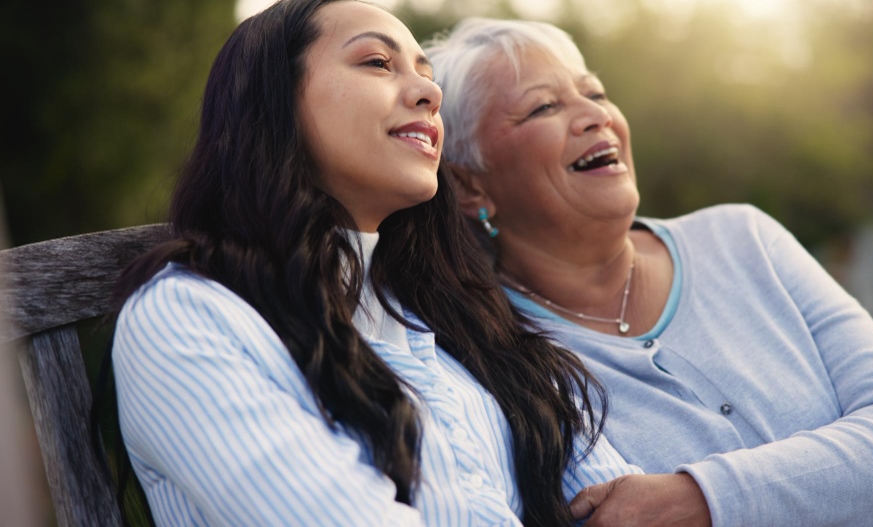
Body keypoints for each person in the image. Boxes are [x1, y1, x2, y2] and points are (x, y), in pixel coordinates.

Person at [101, 2, 642, 525]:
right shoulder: (187, 318)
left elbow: (627, 509)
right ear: (273, 101)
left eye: (427, 75)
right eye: (378, 63)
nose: (430, 93)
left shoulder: (459, 319)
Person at [424, 17, 873, 527]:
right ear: (470, 186)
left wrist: (699, 500)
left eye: (595, 93)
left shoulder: (743, 238)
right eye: (542, 107)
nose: (595, 116)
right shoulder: (484, 357)